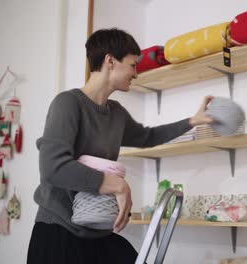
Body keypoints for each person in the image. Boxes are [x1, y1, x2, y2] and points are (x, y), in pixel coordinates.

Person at [27, 28, 213, 264]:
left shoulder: (116, 114)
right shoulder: (68, 104)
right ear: (110, 61)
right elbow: (54, 167)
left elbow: (148, 136)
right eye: (133, 65)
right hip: (58, 232)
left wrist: (191, 122)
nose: (136, 73)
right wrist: (117, 185)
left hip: (97, 231)